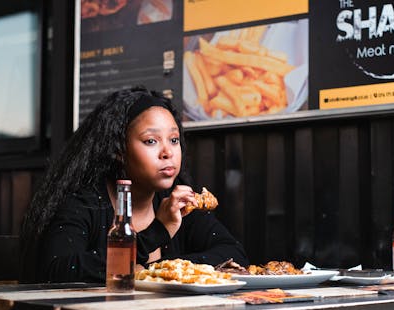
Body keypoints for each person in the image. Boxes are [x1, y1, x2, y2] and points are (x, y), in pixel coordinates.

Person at [19, 86, 249, 283]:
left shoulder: (178, 202)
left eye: (174, 139)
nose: (167, 152)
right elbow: (57, 269)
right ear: (118, 151)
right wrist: (158, 231)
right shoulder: (84, 202)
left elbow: (233, 254)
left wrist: (163, 270)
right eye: (151, 141)